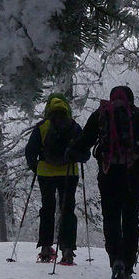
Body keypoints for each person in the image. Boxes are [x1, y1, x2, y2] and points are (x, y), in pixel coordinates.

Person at [67, 86, 139, 279]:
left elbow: (83, 143)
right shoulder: (138, 114)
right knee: (130, 218)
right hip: (133, 173)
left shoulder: (101, 114)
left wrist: (71, 150)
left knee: (111, 217)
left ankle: (116, 261)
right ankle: (128, 266)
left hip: (108, 173)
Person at [24, 93, 89, 265]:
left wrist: (36, 167)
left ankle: (46, 248)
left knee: (47, 208)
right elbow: (85, 153)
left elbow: (30, 151)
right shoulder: (74, 127)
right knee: (67, 209)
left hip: (46, 173)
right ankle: (67, 250)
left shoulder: (42, 127)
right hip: (69, 172)